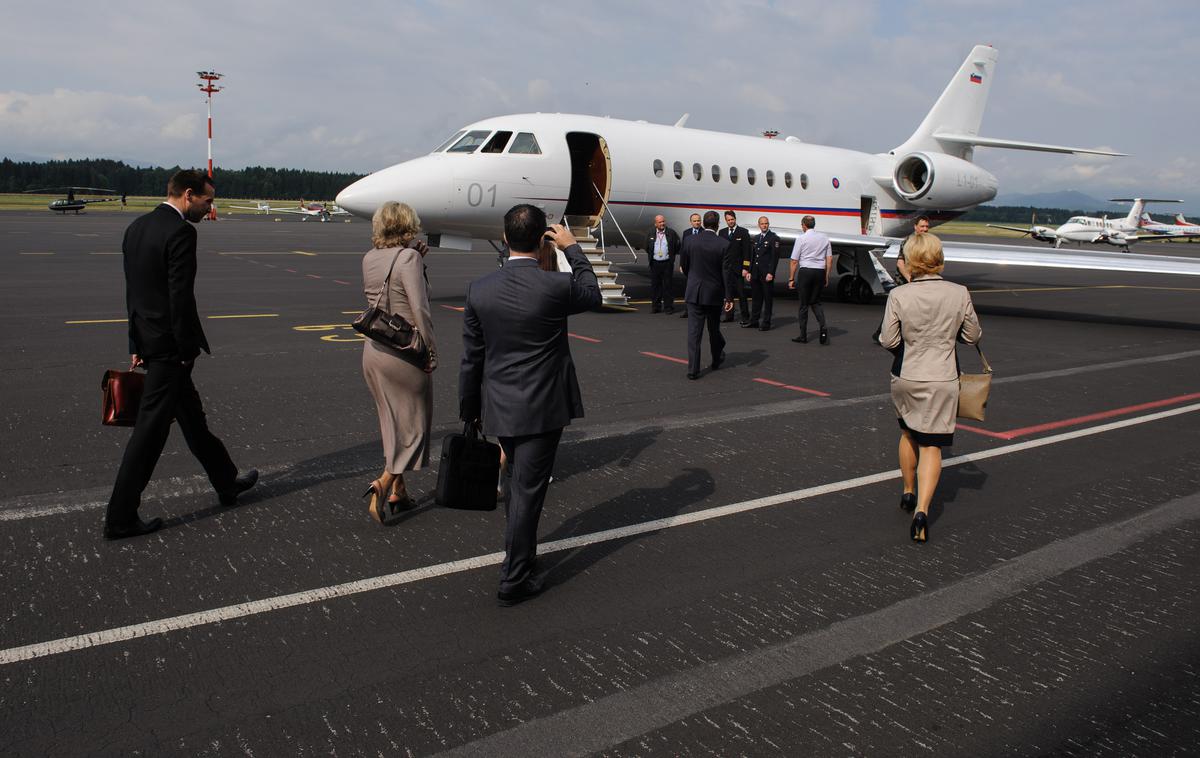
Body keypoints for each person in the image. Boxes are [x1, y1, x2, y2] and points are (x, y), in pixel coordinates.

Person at [104, 170, 257, 540]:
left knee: (192, 418)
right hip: (171, 349)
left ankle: (226, 481)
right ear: (188, 195)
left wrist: (136, 344)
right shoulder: (181, 233)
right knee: (150, 432)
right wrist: (185, 351)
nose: (210, 208)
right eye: (207, 201)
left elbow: (135, 295)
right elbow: (179, 298)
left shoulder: (136, 228)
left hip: (151, 342)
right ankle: (120, 516)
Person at [459, 204, 600, 606]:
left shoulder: (479, 290)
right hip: (543, 406)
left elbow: (472, 358)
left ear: (505, 239)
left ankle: (521, 557)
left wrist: (470, 410)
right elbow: (591, 292)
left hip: (499, 405)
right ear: (542, 240)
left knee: (519, 484)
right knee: (527, 492)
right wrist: (573, 249)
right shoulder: (554, 287)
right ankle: (514, 577)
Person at [878, 233, 981, 543]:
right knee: (932, 445)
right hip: (943, 376)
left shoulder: (899, 295)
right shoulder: (959, 293)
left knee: (908, 432)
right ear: (939, 258)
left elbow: (888, 340)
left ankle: (908, 491)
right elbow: (973, 335)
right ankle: (922, 511)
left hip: (907, 375)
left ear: (911, 261)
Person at [360, 201, 438, 523]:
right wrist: (430, 350)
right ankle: (384, 482)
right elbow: (418, 308)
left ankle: (399, 493)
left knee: (390, 422)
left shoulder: (369, 257)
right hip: (404, 352)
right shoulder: (409, 258)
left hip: (374, 351)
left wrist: (418, 259)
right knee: (417, 426)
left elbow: (389, 292)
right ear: (408, 225)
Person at [680, 210, 734, 379]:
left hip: (694, 292)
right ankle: (716, 359)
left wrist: (694, 280)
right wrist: (729, 297)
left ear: (703, 223)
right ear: (718, 225)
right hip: (714, 293)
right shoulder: (724, 244)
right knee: (713, 329)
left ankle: (693, 370)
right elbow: (726, 272)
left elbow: (685, 266)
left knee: (694, 333)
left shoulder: (689, 241)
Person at [787, 215, 833, 345]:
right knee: (816, 302)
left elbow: (794, 261)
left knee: (803, 305)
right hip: (819, 272)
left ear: (804, 225)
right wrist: (826, 276)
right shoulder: (824, 238)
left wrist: (791, 278)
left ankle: (803, 335)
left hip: (806, 271)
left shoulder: (801, 239)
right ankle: (823, 328)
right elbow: (829, 259)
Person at [743, 216, 782, 331]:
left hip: (766, 274)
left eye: (766, 223)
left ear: (768, 224)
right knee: (756, 298)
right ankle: (754, 321)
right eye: (762, 224)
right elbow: (753, 256)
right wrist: (749, 271)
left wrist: (771, 273)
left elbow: (774, 258)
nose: (764, 225)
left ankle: (766, 322)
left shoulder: (774, 238)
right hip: (755, 273)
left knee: (767, 298)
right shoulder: (756, 238)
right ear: (759, 225)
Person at [718, 210, 752, 323]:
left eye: (732, 219)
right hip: (726, 268)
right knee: (728, 294)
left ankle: (745, 316)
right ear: (726, 221)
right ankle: (729, 315)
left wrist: (746, 268)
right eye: (728, 220)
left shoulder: (743, 232)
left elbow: (747, 252)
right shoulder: (722, 233)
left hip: (739, 269)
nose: (731, 221)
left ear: (735, 219)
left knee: (741, 293)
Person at [644, 214, 681, 313]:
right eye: (660, 222)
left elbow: (677, 245)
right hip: (655, 263)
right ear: (655, 224)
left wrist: (671, 257)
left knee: (668, 285)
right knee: (655, 286)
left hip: (667, 263)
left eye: (663, 221)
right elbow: (647, 247)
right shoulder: (651, 233)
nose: (662, 224)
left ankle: (668, 307)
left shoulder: (671, 233)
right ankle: (656, 307)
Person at [679, 213, 703, 317]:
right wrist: (681, 264)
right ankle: (688, 311)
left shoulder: (704, 233)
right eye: (695, 221)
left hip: (701, 266)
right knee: (689, 289)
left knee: (701, 289)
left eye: (698, 220)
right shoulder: (686, 233)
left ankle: (701, 310)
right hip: (689, 266)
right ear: (691, 222)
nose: (697, 222)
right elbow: (683, 250)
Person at [895, 215, 930, 284]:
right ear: (915, 227)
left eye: (927, 226)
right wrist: (910, 280)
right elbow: (900, 263)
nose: (925, 229)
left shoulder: (927, 241)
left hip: (920, 280)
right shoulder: (909, 242)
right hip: (905, 282)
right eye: (922, 226)